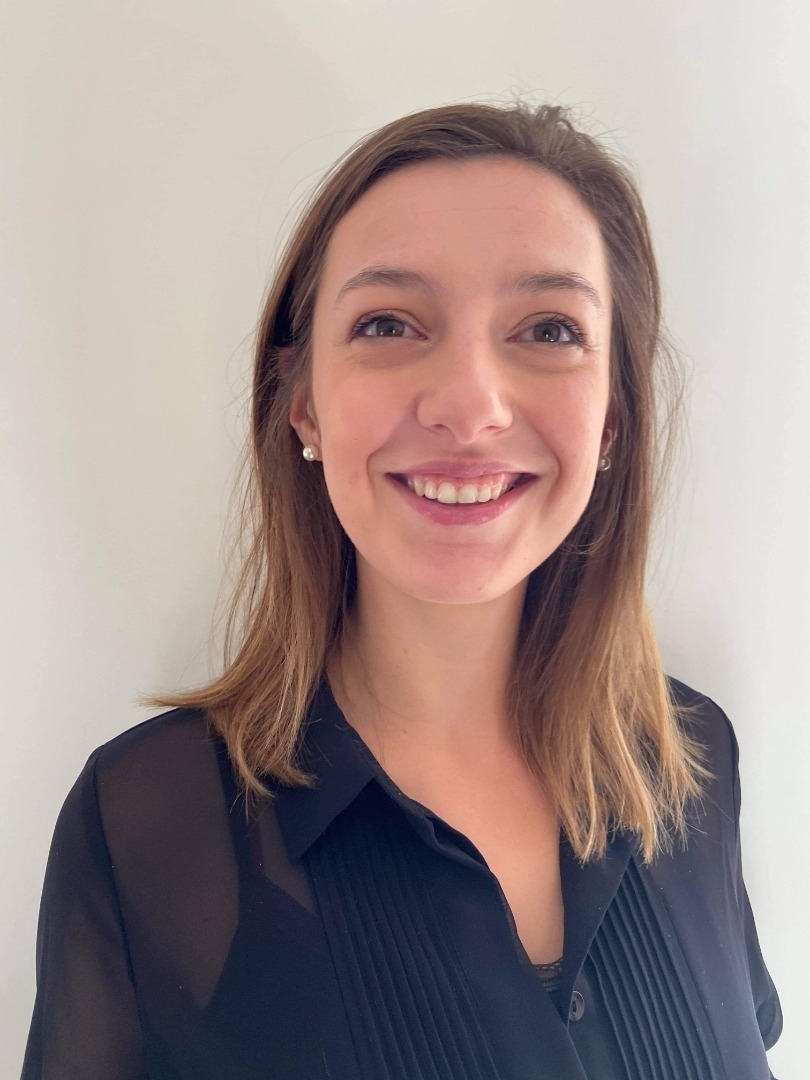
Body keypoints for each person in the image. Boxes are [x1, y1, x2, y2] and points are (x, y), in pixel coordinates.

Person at [21, 102, 782, 1080]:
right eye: (387, 323)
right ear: (304, 404)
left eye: (549, 328)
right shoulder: (151, 828)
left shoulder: (698, 761)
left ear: (611, 421)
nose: (469, 405)